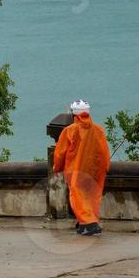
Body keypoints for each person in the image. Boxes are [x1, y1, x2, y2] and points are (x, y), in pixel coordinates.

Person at [53, 99, 111, 236]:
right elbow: (104, 152)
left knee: (78, 198)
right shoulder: (98, 130)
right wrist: (105, 167)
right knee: (91, 197)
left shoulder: (69, 131)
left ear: (74, 115)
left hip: (76, 171)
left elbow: (60, 153)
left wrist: (57, 167)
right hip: (94, 171)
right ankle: (85, 222)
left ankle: (89, 224)